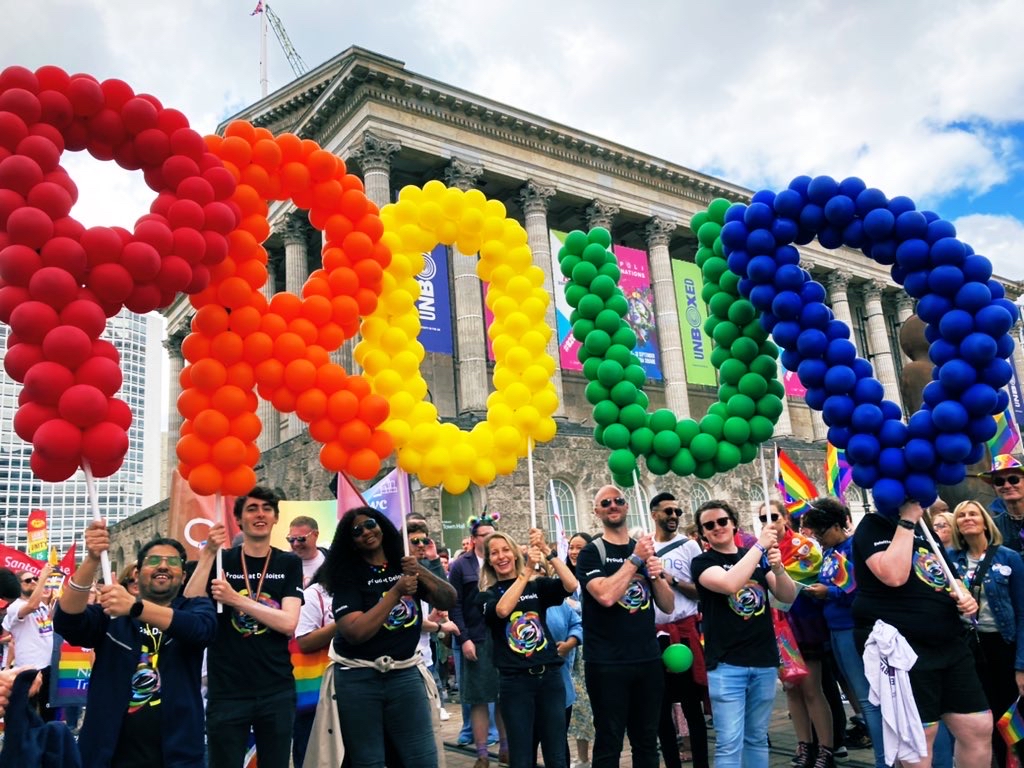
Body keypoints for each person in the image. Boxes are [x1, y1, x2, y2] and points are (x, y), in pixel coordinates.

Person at [54, 523, 217, 768]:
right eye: (154, 560)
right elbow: (67, 621)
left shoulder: (194, 609)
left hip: (179, 753)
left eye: (172, 562)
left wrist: (135, 607)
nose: (163, 565)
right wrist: (91, 559)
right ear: (138, 573)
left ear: (183, 576)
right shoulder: (112, 614)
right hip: (108, 752)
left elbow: (201, 630)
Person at [852, 498, 991, 768]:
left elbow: (949, 577)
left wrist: (964, 597)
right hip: (905, 648)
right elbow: (893, 575)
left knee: (977, 725)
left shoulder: (925, 529)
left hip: (949, 643)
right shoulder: (874, 525)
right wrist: (907, 519)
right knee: (918, 739)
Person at [317, 506, 455, 768]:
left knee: (423, 759)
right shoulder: (347, 576)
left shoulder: (404, 566)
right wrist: (395, 592)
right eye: (357, 531)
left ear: (381, 525)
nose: (366, 532)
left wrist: (421, 570)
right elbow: (355, 632)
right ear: (352, 542)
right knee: (370, 762)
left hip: (404, 674)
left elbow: (448, 599)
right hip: (359, 679)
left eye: (370, 524)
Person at [183, 485, 304, 768]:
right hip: (227, 691)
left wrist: (236, 599)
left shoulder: (288, 562)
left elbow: (288, 623)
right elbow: (188, 604)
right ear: (238, 519)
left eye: (266, 509)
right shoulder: (222, 560)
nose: (259, 514)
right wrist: (209, 553)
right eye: (251, 509)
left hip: (276, 688)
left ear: (275, 518)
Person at [691, 499, 798, 768]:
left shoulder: (754, 557)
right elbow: (729, 583)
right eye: (709, 525)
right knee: (729, 743)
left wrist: (778, 568)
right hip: (727, 664)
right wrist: (760, 546)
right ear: (702, 532)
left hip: (762, 660)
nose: (717, 527)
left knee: (757, 738)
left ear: (734, 523)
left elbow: (786, 596)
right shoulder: (703, 562)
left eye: (722, 521)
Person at [576, 486, 675, 768]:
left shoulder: (642, 550)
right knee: (609, 742)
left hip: (647, 659)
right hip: (607, 663)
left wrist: (656, 575)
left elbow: (668, 606)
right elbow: (606, 596)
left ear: (627, 506)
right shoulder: (592, 553)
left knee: (646, 741)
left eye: (618, 500)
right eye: (605, 502)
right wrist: (635, 560)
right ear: (597, 512)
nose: (612, 505)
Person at [479, 528, 578, 768]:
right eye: (494, 553)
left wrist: (547, 550)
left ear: (514, 553)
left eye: (505, 550)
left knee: (556, 754)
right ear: (489, 561)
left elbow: (571, 584)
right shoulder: (486, 595)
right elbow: (502, 611)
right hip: (516, 682)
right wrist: (525, 573)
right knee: (522, 756)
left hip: (549, 678)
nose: (501, 556)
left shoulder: (538, 586)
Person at [802, 497, 886, 768]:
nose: (818, 538)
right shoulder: (829, 551)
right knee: (860, 696)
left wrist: (830, 593)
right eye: (814, 534)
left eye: (821, 532)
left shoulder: (853, 549)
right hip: (834, 630)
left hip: (852, 629)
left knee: (867, 697)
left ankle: (884, 759)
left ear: (838, 525)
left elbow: (859, 590)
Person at [950, 499, 1024, 768]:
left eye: (973, 513)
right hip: (969, 650)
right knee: (983, 719)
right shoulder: (949, 562)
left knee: (1012, 717)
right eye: (961, 515)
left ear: (985, 521)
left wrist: (1021, 666)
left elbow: (1023, 612)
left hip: (1003, 645)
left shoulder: (1008, 558)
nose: (967, 518)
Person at [761, 499, 835, 768]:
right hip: (777, 629)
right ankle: (804, 746)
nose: (768, 522)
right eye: (762, 518)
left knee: (812, 689)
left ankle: (826, 748)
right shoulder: (759, 552)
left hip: (803, 625)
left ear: (785, 519)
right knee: (791, 689)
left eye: (773, 516)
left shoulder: (803, 548)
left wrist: (774, 573)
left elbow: (801, 581)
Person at [649, 492, 709, 768]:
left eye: (677, 512)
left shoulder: (690, 547)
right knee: (660, 708)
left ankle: (701, 763)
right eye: (667, 511)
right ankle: (671, 762)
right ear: (654, 514)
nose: (673, 516)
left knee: (690, 706)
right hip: (656, 636)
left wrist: (670, 579)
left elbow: (701, 592)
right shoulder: (644, 548)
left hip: (684, 634)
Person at [449, 514, 506, 762]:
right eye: (484, 535)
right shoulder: (462, 565)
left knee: (504, 694)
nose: (490, 539)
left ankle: (506, 748)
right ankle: (482, 754)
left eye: (492, 534)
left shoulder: (501, 561)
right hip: (476, 638)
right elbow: (455, 604)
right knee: (478, 699)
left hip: (503, 637)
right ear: (473, 539)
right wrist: (464, 639)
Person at [2, 565, 56, 721]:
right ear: (18, 585)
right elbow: (31, 606)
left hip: (48, 667)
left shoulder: (41, 605)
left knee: (47, 714)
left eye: (35, 578)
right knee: (27, 714)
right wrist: (43, 577)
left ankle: (45, 742)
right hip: (30, 669)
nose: (33, 581)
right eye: (28, 580)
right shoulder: (15, 607)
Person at [566, 532, 594, 768]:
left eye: (579, 548)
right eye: (571, 547)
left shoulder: (595, 574)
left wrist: (576, 606)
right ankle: (583, 757)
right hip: (573, 652)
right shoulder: (564, 579)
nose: (574, 552)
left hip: (595, 648)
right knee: (580, 705)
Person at [982, 455, 1024, 553]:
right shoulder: (992, 526)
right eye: (999, 482)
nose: (1007, 486)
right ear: (994, 487)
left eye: (1013, 480)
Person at [287, 515, 325, 587]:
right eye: (291, 539)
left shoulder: (332, 562)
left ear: (315, 535)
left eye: (301, 539)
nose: (296, 544)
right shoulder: (283, 564)